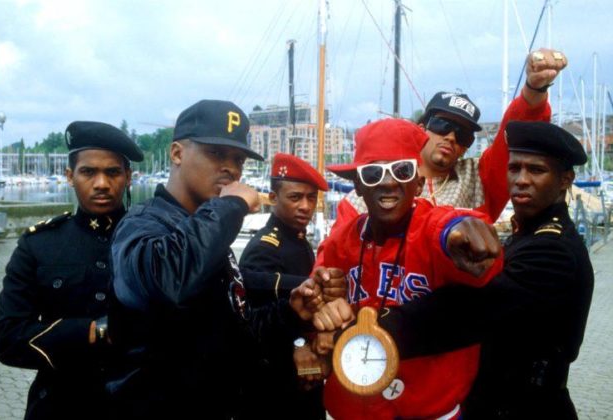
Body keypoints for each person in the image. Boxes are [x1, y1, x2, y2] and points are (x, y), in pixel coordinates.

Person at [313, 121, 593, 419]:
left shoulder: (555, 249)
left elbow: (461, 308)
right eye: (514, 169)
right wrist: (317, 309)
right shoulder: (526, 232)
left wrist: (354, 330)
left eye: (536, 170)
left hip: (525, 405)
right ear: (358, 185)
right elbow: (318, 285)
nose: (521, 180)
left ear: (565, 180)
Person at [107, 99, 322, 419]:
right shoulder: (142, 225)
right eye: (216, 153)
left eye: (238, 159)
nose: (231, 168)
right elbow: (168, 281)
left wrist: (290, 312)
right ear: (177, 153)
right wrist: (230, 205)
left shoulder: (208, 233)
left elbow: (235, 331)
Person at [301, 117, 503, 420]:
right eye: (373, 174)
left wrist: (461, 232)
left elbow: (448, 227)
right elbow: (314, 296)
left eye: (402, 171)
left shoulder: (432, 229)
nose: (388, 182)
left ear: (418, 183)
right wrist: (311, 327)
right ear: (358, 185)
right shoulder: (341, 241)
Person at [0, 121, 144, 420]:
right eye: (88, 172)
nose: (101, 183)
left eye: (112, 172)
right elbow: (6, 336)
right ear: (70, 176)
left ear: (128, 177)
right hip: (60, 406)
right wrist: (90, 332)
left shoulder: (152, 241)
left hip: (138, 405)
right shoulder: (39, 245)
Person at [331, 48, 567, 231]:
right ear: (421, 129)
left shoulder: (478, 179)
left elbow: (515, 137)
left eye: (463, 134)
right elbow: (336, 255)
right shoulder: (375, 186)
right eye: (442, 126)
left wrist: (534, 90)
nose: (451, 137)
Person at [239, 152, 329, 419]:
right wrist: (298, 343)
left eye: (311, 198)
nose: (305, 206)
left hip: (304, 374)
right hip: (276, 378)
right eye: (295, 197)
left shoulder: (298, 240)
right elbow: (254, 320)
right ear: (273, 197)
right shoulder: (265, 247)